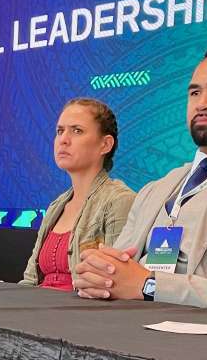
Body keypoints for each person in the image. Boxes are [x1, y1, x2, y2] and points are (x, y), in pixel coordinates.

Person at [72, 42, 207, 313]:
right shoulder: (156, 188)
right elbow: (117, 272)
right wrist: (95, 274)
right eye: (195, 92)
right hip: (128, 332)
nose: (202, 103)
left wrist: (151, 286)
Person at [19, 98, 134, 291]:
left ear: (105, 145)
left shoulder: (120, 200)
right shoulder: (57, 205)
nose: (63, 139)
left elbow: (115, 283)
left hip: (82, 315)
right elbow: (30, 280)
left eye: (77, 131)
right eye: (60, 131)